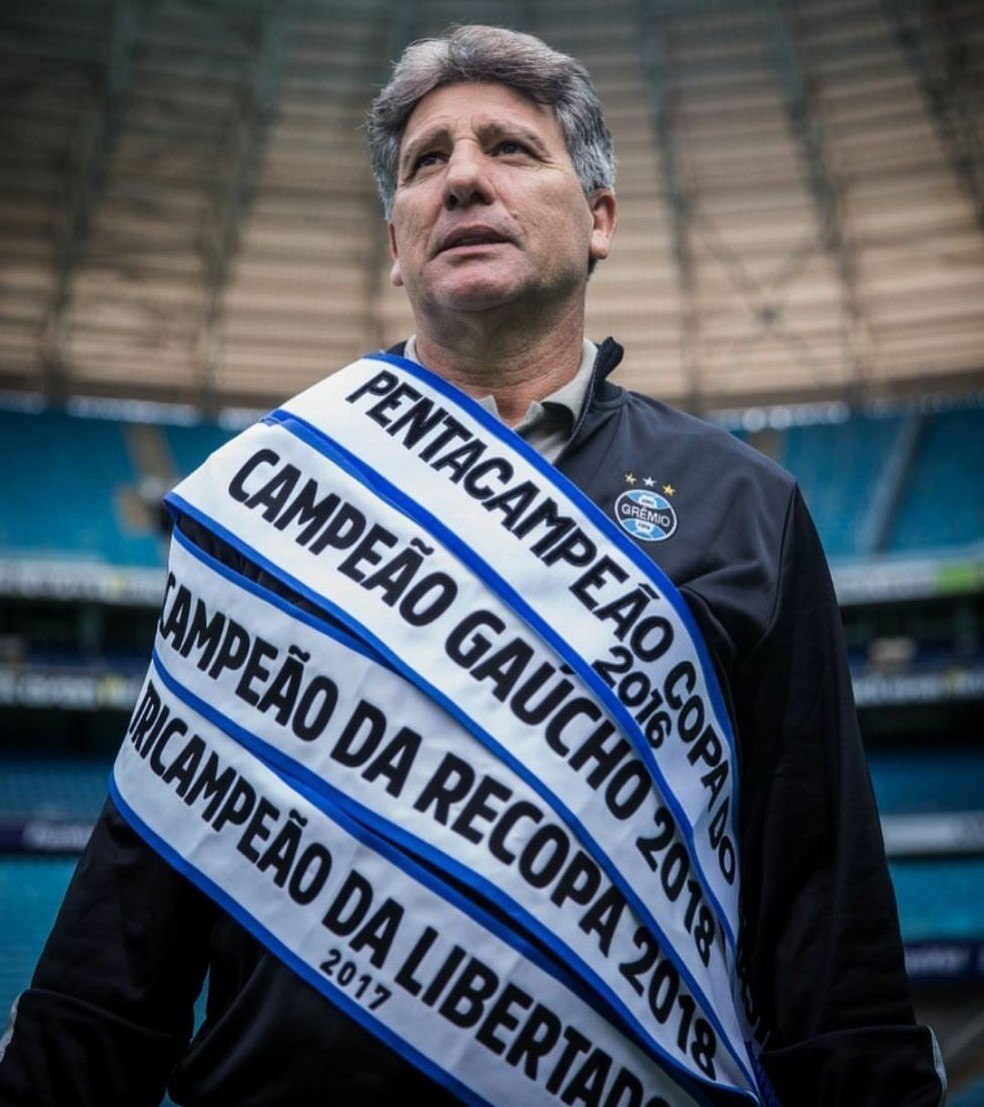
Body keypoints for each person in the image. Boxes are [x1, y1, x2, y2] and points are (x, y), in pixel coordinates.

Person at [0, 24, 946, 1107]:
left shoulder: (746, 507)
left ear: (599, 219)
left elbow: (825, 924)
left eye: (510, 148)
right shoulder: (270, 491)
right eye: (425, 162)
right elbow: (126, 928)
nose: (461, 179)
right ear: (395, 243)